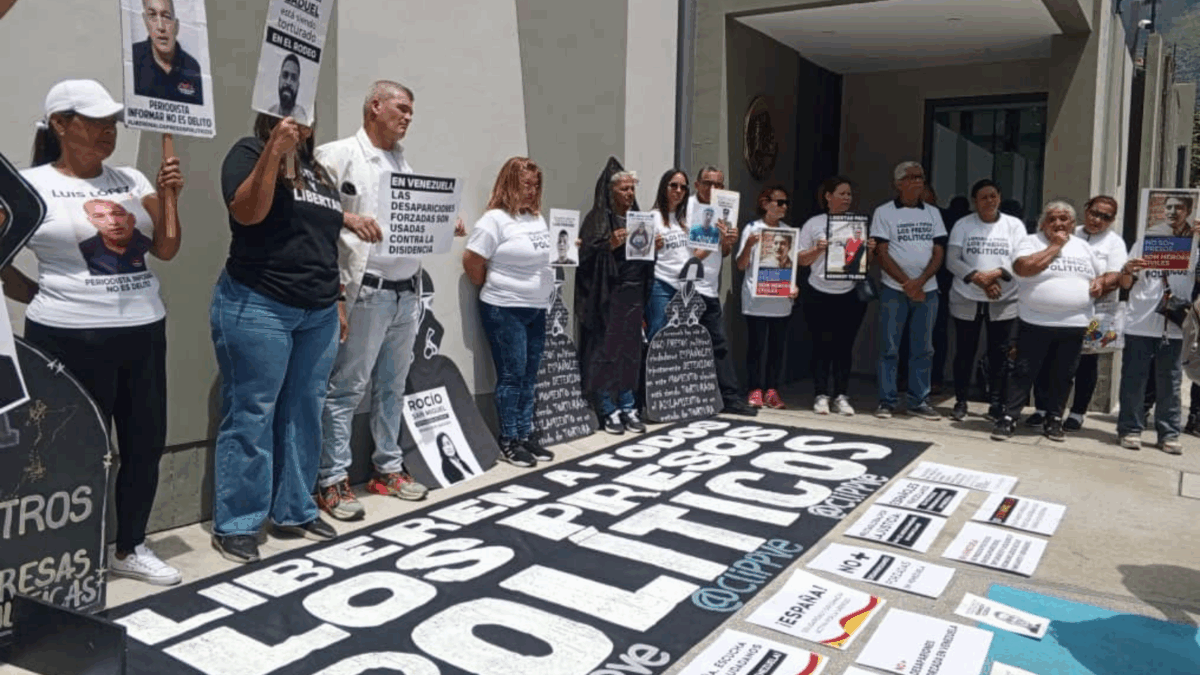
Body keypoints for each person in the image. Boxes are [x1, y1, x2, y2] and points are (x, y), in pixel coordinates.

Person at [1, 79, 183, 584]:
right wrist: (33, 293)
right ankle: (59, 553)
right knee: (67, 448)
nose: (108, 132)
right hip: (65, 337)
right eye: (95, 121)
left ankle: (130, 546)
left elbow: (166, 249)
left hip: (143, 329)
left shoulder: (131, 178)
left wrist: (169, 197)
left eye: (112, 123)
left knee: (144, 443)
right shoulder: (26, 183)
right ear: (60, 124)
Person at [210, 113, 353, 563]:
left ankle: (295, 509)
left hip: (319, 310)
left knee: (305, 410)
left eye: (308, 112)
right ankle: (238, 522)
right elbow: (248, 212)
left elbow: (322, 241)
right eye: (290, 109)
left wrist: (339, 300)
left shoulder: (320, 172)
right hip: (260, 302)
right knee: (252, 411)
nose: (301, 119)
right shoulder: (249, 153)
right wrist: (275, 147)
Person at [313, 81, 452, 521]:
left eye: (412, 110)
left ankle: (386, 468)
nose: (408, 117)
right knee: (348, 387)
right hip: (366, 291)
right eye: (402, 108)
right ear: (375, 106)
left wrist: (445, 221)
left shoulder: (402, 163)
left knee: (393, 386)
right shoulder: (336, 155)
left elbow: (410, 220)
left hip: (406, 292)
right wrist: (348, 222)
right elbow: (311, 216)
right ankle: (332, 479)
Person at [464, 157, 555, 465]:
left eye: (535, 185)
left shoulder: (536, 218)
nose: (531, 191)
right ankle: (509, 439)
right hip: (505, 309)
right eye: (524, 185)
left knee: (530, 375)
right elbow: (472, 260)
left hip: (536, 308)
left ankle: (526, 434)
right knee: (512, 375)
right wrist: (494, 286)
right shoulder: (494, 220)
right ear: (509, 184)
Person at [991, 201, 1105, 441]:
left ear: (1073, 224)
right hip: (1035, 321)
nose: (1058, 223)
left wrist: (1100, 283)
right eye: (1052, 219)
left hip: (1074, 323)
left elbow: (1100, 276)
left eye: (1064, 219)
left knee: (1063, 375)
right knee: (1023, 372)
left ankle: (1054, 419)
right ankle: (1009, 417)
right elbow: (1023, 269)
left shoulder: (1083, 247)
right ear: (1043, 222)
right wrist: (1055, 246)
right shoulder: (1030, 242)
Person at [1029, 196, 1127, 430]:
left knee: (1085, 364)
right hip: (1059, 311)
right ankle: (1042, 409)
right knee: (1049, 361)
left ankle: (1077, 412)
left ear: (1112, 220)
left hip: (1094, 313)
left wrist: (1101, 283)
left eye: (1105, 217)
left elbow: (1115, 275)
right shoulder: (1070, 232)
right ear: (1086, 210)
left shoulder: (1114, 242)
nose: (1097, 220)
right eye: (1094, 213)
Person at [577, 162, 660, 434]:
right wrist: (609, 245)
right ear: (610, 191)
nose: (629, 194)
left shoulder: (640, 219)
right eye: (624, 189)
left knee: (630, 353)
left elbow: (645, 262)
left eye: (632, 188)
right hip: (608, 296)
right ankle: (607, 409)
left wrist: (654, 248)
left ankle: (627, 405)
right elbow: (586, 255)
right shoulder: (598, 219)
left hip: (634, 296)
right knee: (606, 354)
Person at [1115, 197, 1197, 455]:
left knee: (1170, 383)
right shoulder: (1144, 242)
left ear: (1189, 212)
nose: (1173, 212)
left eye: (1179, 208)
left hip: (1173, 326)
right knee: (1133, 381)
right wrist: (1127, 269)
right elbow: (1126, 284)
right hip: (1139, 323)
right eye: (1168, 207)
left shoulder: (1195, 246)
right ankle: (1130, 429)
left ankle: (1169, 434)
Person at [944, 179, 1026, 422]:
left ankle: (996, 403)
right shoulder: (963, 224)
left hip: (1003, 296)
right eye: (983, 197)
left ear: (999, 197)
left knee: (999, 353)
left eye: (993, 196)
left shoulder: (1014, 225)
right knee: (965, 350)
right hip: (967, 294)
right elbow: (952, 259)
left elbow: (1021, 258)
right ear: (974, 202)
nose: (989, 201)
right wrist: (979, 278)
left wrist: (997, 275)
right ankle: (960, 401)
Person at [872, 161, 946, 420]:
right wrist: (907, 283)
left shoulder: (933, 213)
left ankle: (919, 400)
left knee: (923, 349)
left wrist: (921, 281)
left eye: (921, 177)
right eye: (912, 177)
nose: (918, 181)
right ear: (898, 183)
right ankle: (887, 401)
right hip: (894, 289)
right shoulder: (884, 212)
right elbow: (881, 252)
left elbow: (939, 251)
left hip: (928, 290)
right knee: (889, 347)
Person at [797, 175, 873, 416]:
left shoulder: (856, 224)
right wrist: (817, 249)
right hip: (818, 292)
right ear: (828, 197)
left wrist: (868, 253)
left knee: (843, 347)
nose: (847, 198)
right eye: (842, 193)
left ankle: (841, 394)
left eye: (849, 194)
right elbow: (800, 259)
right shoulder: (814, 223)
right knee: (821, 345)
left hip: (848, 294)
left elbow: (861, 265)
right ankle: (821, 394)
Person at [686, 165, 757, 416]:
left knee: (719, 344)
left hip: (710, 287)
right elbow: (693, 253)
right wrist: (717, 239)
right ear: (697, 185)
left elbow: (723, 253)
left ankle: (730, 398)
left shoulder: (724, 210)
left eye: (718, 184)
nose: (713, 189)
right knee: (684, 344)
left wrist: (727, 243)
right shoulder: (688, 207)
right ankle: (684, 397)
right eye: (708, 183)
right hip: (685, 287)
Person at [736, 185, 799, 410]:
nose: (784, 207)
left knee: (776, 349)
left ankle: (772, 390)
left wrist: (794, 287)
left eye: (786, 203)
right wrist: (749, 246)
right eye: (779, 202)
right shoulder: (752, 229)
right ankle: (755, 390)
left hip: (780, 302)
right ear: (765, 203)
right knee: (756, 347)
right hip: (756, 300)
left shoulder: (788, 231)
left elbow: (790, 267)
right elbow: (741, 264)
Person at [645, 168, 691, 339]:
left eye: (683, 187)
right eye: (674, 186)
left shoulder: (686, 220)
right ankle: (649, 366)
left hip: (685, 287)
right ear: (664, 187)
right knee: (658, 332)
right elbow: (640, 254)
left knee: (679, 337)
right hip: (661, 284)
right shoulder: (652, 217)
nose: (678, 191)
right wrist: (652, 248)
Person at [132, 0, 203, 105]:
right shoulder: (134, 57)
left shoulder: (192, 66)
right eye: (152, 15)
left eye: (166, 16)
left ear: (176, 25)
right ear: (145, 21)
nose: (161, 27)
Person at [78, 199, 154, 274]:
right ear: (92, 221)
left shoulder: (152, 245)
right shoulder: (84, 250)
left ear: (132, 218)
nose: (113, 222)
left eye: (118, 214)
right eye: (99, 216)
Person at [268, 54, 307, 123]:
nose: (288, 82)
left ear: (297, 85)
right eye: (285, 75)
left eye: (293, 78)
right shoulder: (270, 112)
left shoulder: (301, 119)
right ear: (279, 79)